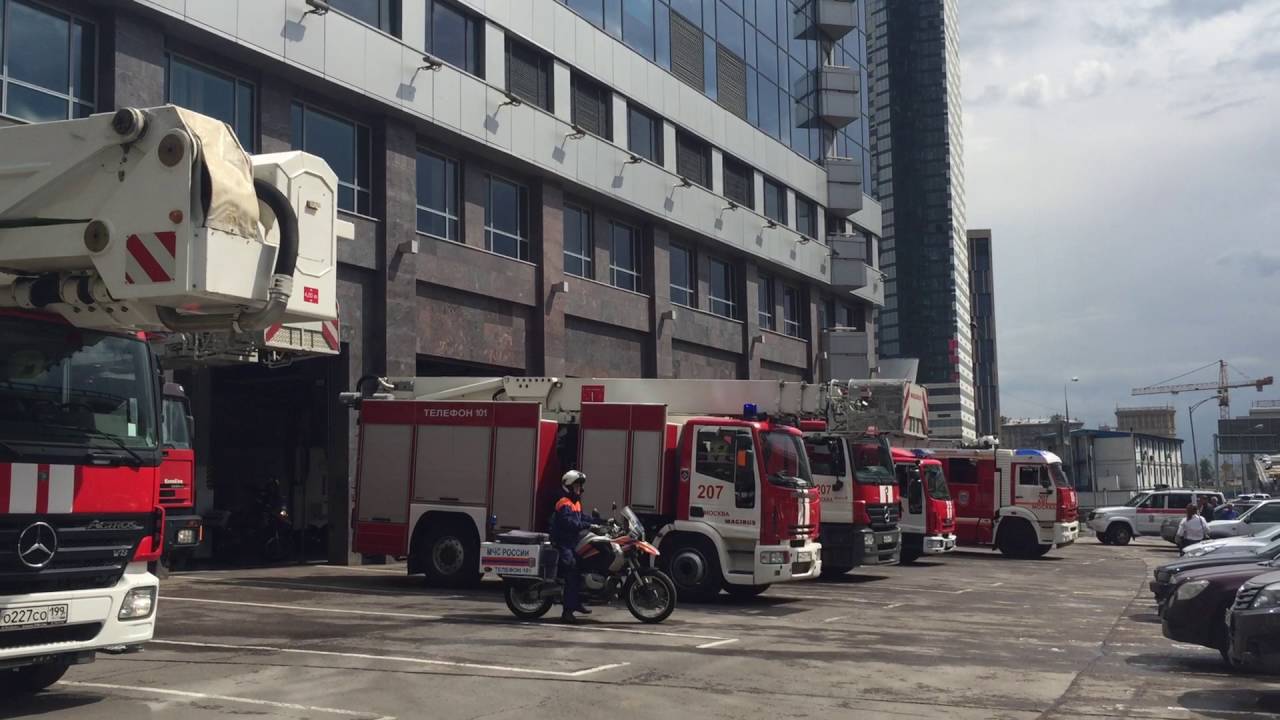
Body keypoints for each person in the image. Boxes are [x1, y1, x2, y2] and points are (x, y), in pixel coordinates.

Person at [550, 470, 594, 623]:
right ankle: (567, 611)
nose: (579, 489)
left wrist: (599, 521)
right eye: (576, 485)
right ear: (569, 486)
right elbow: (570, 523)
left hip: (572, 542)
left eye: (580, 486)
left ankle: (576, 602)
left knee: (585, 563)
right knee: (572, 569)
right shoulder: (564, 503)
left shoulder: (576, 502)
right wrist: (587, 526)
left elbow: (582, 517)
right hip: (563, 543)